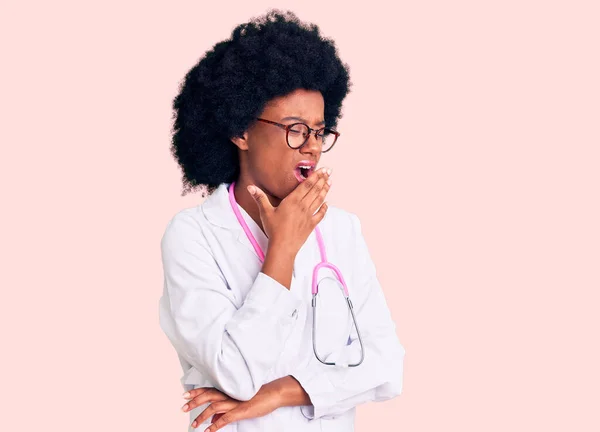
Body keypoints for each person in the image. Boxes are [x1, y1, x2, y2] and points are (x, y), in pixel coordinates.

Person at [159, 9, 406, 432]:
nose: (310, 147)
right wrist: (284, 247)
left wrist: (275, 395)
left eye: (318, 131)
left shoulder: (342, 229)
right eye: (294, 129)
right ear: (241, 131)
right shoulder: (193, 236)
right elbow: (235, 373)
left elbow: (386, 364)